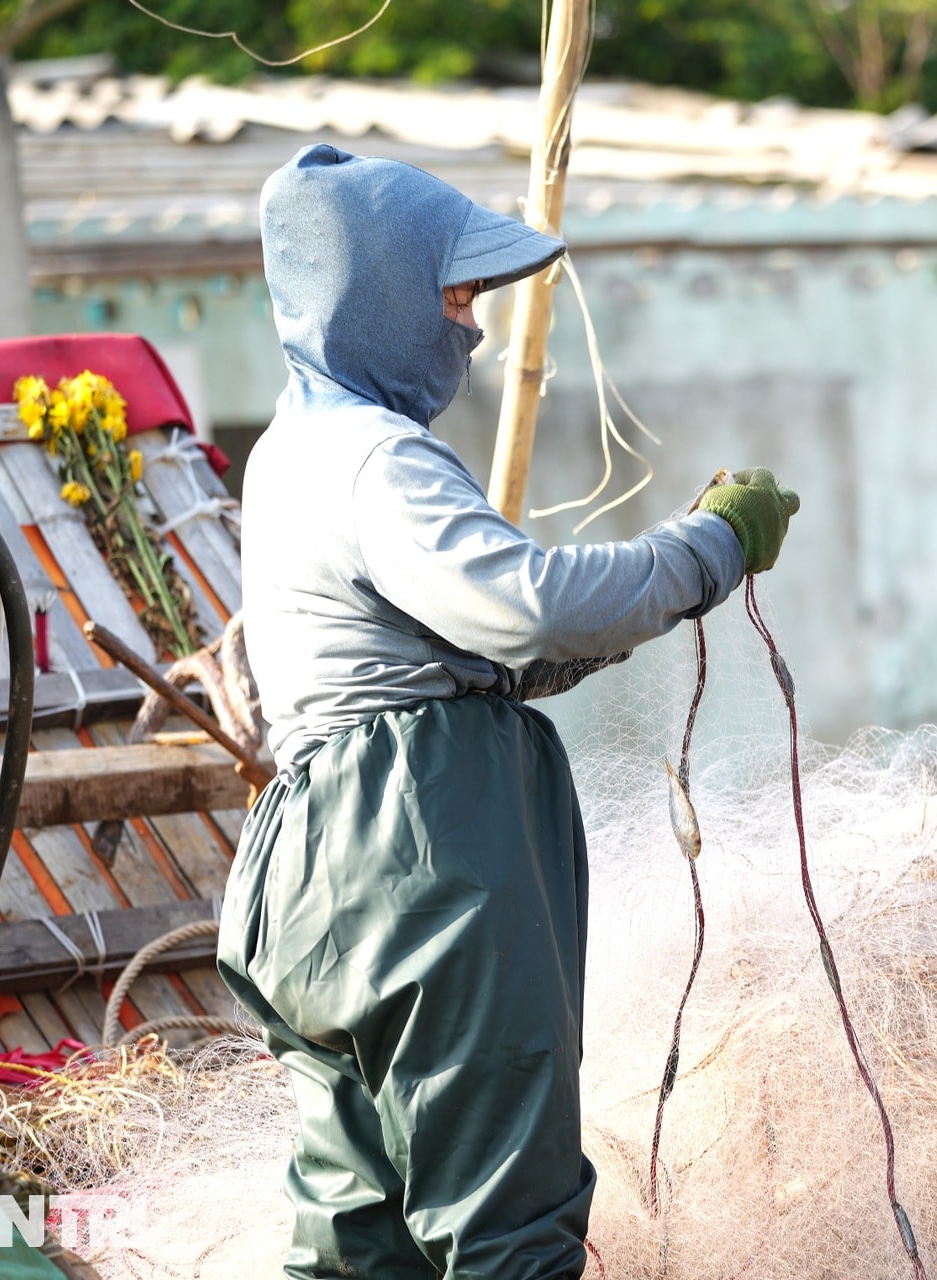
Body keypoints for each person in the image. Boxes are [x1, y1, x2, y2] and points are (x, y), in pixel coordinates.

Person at [217, 143, 799, 1278]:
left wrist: (640, 603)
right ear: (376, 295)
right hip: (419, 849)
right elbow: (525, 607)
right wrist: (707, 549)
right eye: (454, 296)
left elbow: (479, 654)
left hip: (317, 865)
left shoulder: (289, 454)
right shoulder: (376, 456)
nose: (475, 329)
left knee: (360, 1238)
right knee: (505, 1230)